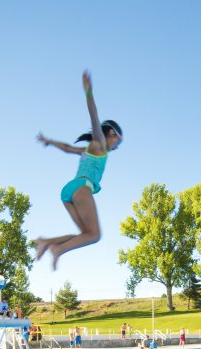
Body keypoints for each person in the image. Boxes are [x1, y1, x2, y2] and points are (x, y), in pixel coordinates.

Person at [34, 70, 123, 269]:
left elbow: (67, 149)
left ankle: (46, 242)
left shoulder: (87, 150)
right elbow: (94, 116)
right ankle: (57, 249)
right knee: (95, 235)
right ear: (110, 133)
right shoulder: (99, 144)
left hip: (69, 191)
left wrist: (49, 141)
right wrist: (89, 92)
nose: (117, 146)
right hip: (82, 187)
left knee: (86, 235)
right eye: (118, 140)